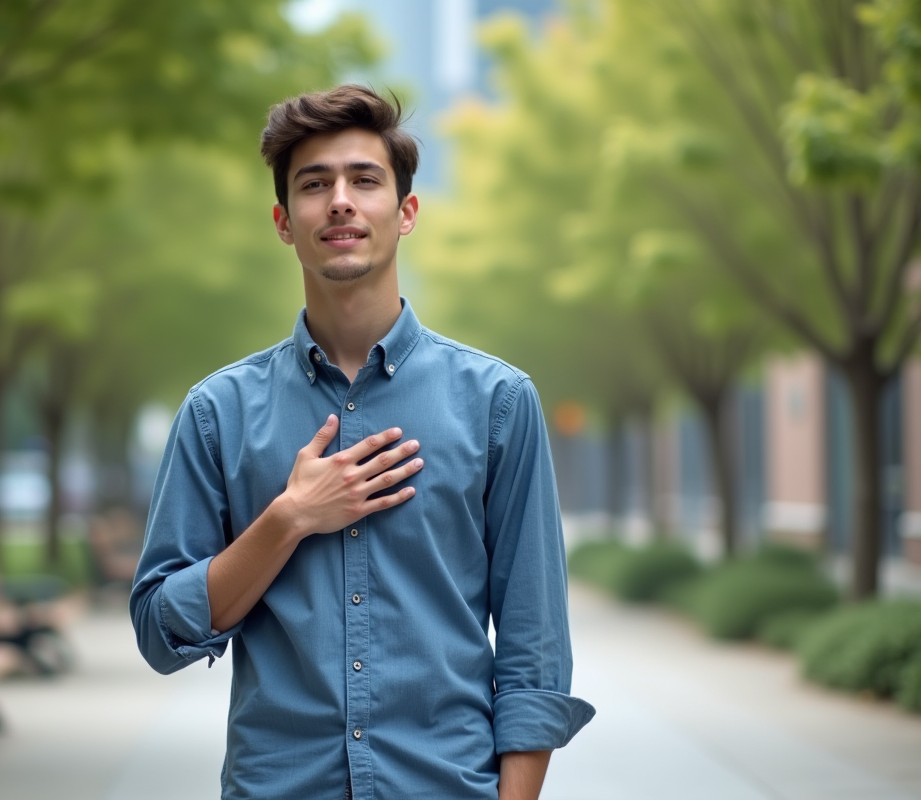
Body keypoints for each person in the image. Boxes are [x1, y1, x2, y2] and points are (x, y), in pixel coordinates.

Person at [130, 84, 594, 800]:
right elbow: (162, 631)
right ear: (285, 223)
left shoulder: (498, 403)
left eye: (364, 179)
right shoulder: (217, 412)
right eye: (314, 185)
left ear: (406, 212)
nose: (340, 201)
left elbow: (534, 650)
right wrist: (288, 519)